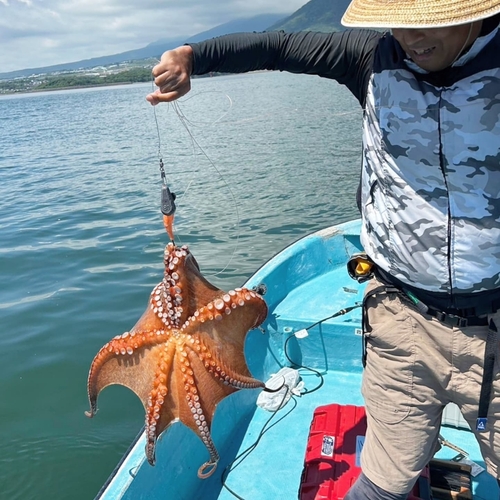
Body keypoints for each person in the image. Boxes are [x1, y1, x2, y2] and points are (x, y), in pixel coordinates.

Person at [147, 0, 500, 498]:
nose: (410, 36)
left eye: (430, 21)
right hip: (402, 322)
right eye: (399, 20)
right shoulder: (373, 59)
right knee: (381, 482)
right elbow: (280, 46)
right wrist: (192, 56)